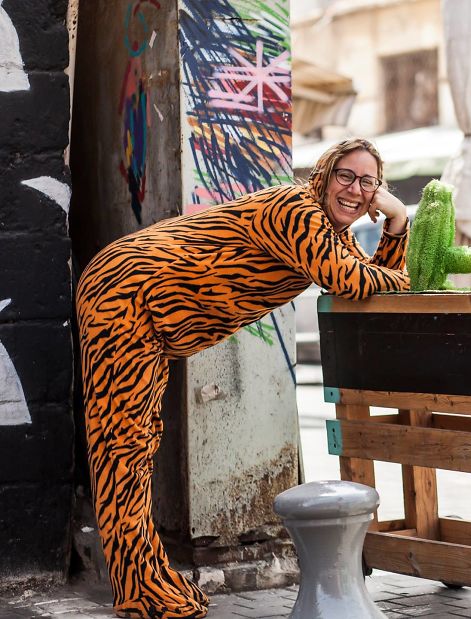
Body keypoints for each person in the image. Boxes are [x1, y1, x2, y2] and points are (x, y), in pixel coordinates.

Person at [75, 138, 410, 619]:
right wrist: (403, 272)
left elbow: (373, 288)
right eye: (345, 176)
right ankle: (138, 588)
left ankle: (145, 578)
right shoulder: (298, 209)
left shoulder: (332, 235)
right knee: (124, 445)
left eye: (368, 182)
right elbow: (350, 280)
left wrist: (397, 223)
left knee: (137, 442)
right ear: (323, 175)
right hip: (126, 289)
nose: (355, 190)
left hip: (152, 315)